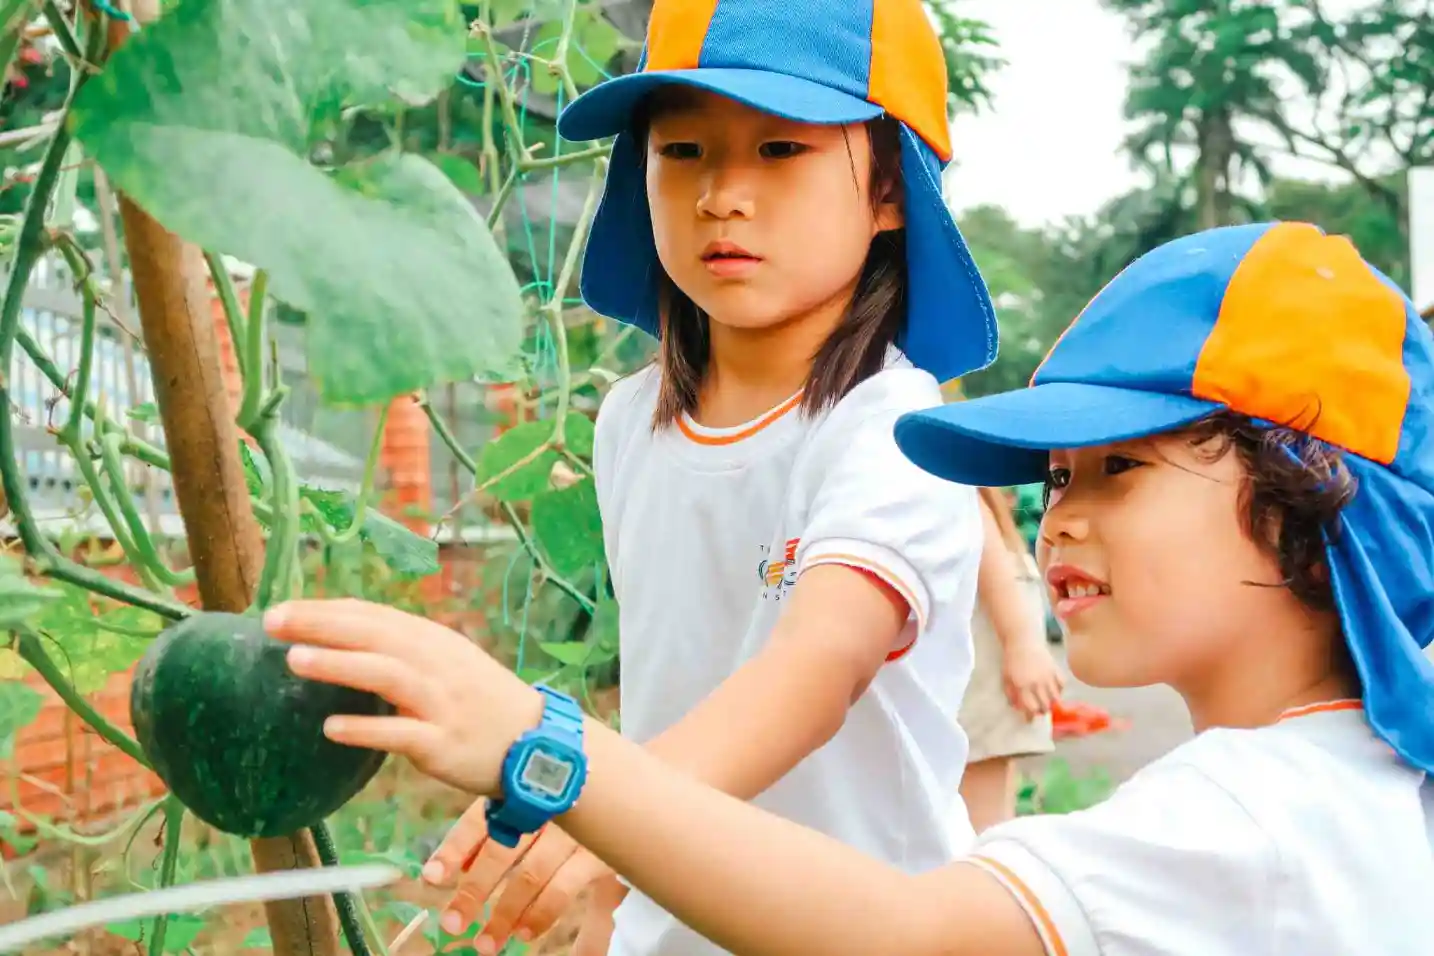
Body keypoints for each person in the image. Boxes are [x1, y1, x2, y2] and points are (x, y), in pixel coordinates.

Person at [271, 220, 1434, 955]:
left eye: (1121, 467)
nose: (1060, 511)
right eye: (1059, 475)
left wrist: (550, 747)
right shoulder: (1354, 781)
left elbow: (906, 931)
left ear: (1313, 498)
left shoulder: (1243, 814)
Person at [401, 1, 999, 953]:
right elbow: (664, 695)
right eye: (681, 151)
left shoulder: (893, 429)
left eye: (779, 151)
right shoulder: (629, 423)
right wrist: (609, 905)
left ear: (891, 188)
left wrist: (589, 792)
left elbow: (816, 670)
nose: (722, 194)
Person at [960, 486, 1065, 832]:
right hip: (995, 615)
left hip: (991, 621)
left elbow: (976, 526)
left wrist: (1022, 645)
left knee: (979, 819)